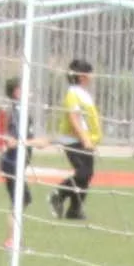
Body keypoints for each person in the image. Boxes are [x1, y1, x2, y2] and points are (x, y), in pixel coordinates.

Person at [50, 57, 101, 222]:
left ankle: (74, 210)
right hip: (74, 141)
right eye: (89, 74)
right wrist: (84, 139)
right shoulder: (73, 94)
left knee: (87, 174)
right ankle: (59, 194)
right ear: (81, 76)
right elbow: (74, 118)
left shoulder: (83, 94)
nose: (91, 77)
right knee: (83, 172)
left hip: (86, 140)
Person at [0, 77, 39, 249]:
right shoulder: (16, 113)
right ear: (16, 92)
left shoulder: (21, 111)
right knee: (20, 200)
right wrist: (34, 143)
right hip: (12, 163)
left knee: (22, 199)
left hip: (16, 163)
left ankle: (14, 239)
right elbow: (12, 141)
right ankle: (12, 241)